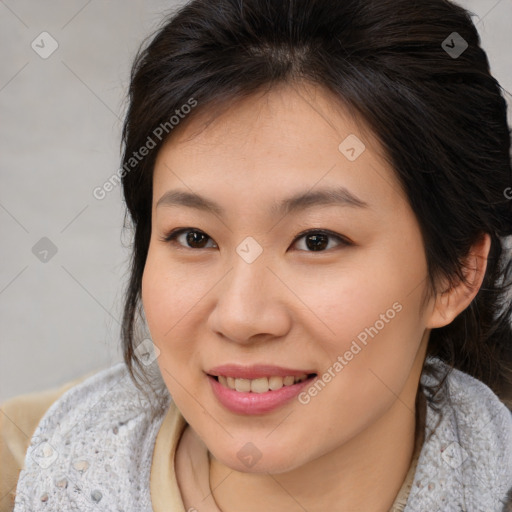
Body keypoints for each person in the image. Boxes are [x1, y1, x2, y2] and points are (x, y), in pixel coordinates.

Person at [2, 0, 512, 510]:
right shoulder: (30, 474)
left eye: (317, 240)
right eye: (194, 237)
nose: (241, 317)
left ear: (456, 275)